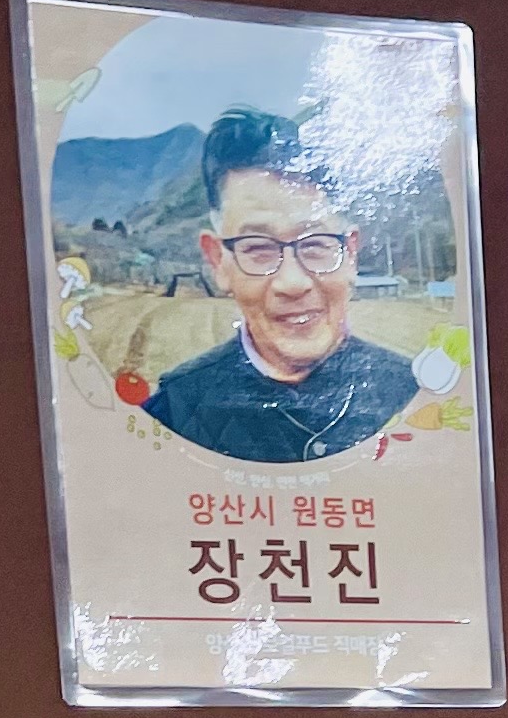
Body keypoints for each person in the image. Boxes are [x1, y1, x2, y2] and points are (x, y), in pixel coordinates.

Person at [143, 110, 418, 465]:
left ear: (350, 254)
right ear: (218, 261)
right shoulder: (173, 412)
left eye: (316, 244)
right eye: (258, 248)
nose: (292, 283)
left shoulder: (418, 398)